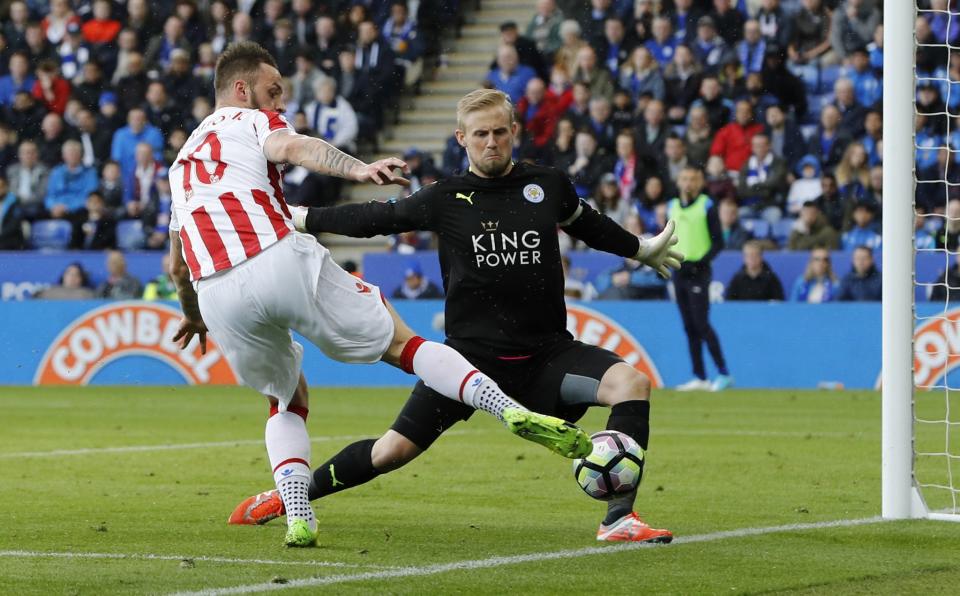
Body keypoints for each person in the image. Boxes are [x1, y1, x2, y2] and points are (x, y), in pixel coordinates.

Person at [167, 46, 595, 548]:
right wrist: (358, 170)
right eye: (273, 90)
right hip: (273, 255)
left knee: (286, 398)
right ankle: (507, 408)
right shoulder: (250, 120)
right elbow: (293, 148)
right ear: (241, 89)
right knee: (403, 346)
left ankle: (298, 515)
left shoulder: (180, 166)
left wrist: (193, 315)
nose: (279, 100)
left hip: (215, 290)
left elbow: (176, 263)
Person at [229, 88, 682, 543]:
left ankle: (619, 517)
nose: (491, 143)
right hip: (467, 363)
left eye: (500, 133)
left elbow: (589, 224)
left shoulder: (548, 185)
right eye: (481, 134)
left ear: (514, 133)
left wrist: (639, 249)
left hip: (548, 357)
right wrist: (298, 216)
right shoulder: (445, 197)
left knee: (632, 384)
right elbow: (373, 219)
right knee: (390, 452)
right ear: (461, 138)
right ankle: (293, 495)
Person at [670, 165, 732, 392]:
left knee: (702, 324)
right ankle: (700, 376)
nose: (687, 183)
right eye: (684, 178)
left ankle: (724, 373)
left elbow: (719, 242)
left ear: (699, 182)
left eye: (692, 179)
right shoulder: (673, 206)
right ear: (679, 181)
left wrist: (701, 263)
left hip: (698, 271)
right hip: (679, 270)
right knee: (689, 326)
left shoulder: (706, 205)